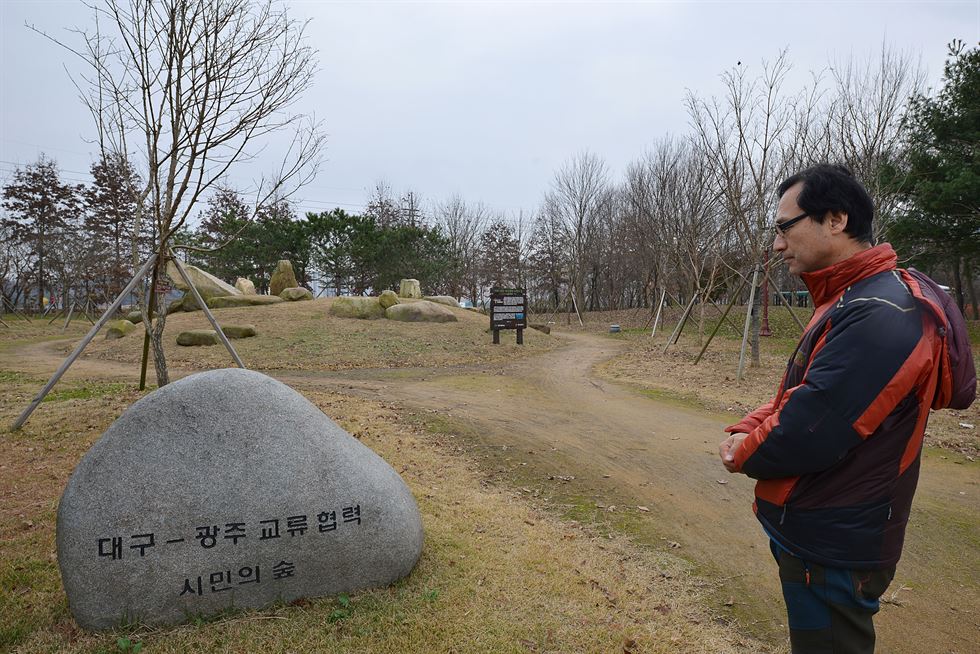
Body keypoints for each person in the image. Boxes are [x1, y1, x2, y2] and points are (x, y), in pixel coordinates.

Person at [717, 164, 970, 653]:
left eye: (784, 227)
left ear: (835, 219)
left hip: (836, 540)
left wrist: (741, 450)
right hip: (825, 529)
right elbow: (803, 393)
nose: (776, 244)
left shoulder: (881, 312)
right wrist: (748, 425)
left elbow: (810, 429)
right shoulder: (852, 297)